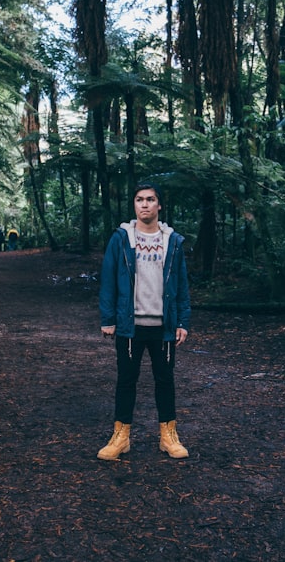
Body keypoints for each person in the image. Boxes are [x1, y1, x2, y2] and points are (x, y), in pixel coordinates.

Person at [97, 183, 191, 460]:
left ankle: (168, 436)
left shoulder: (172, 241)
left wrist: (182, 322)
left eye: (151, 199)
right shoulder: (121, 238)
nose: (145, 204)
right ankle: (121, 437)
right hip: (129, 324)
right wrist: (108, 318)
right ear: (134, 205)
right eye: (140, 200)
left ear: (159, 205)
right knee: (126, 380)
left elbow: (182, 284)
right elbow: (108, 279)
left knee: (165, 380)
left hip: (164, 327)